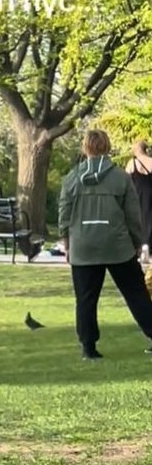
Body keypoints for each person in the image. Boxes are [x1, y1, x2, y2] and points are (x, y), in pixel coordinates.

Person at [59, 129, 152, 360]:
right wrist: (137, 242)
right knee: (136, 293)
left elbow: (64, 213)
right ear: (108, 147)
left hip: (83, 245)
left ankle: (88, 347)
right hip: (117, 245)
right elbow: (133, 215)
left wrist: (67, 242)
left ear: (85, 147)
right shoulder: (121, 178)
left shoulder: (72, 178)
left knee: (86, 299)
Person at [125, 140, 152, 251]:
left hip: (137, 195)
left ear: (138, 149)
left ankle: (141, 245)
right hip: (151, 196)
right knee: (150, 219)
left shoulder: (133, 163)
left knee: (138, 219)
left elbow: (125, 180)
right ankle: (149, 245)